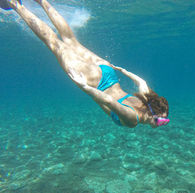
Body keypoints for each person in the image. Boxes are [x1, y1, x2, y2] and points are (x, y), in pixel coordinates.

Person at [1, 0, 169, 128]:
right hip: (93, 82)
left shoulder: (147, 99)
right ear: (154, 116)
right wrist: (85, 87)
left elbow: (142, 82)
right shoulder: (134, 120)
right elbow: (110, 102)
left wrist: (123, 70)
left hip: (108, 71)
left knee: (69, 39)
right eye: (162, 121)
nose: (161, 125)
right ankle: (15, 5)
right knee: (53, 43)